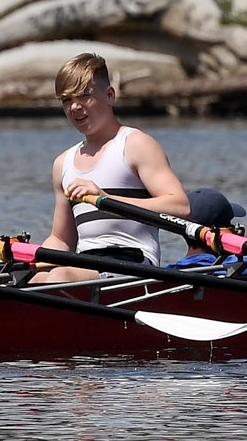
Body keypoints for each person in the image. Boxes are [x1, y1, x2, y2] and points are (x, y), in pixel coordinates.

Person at [34, 51, 191, 283]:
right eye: (66, 99)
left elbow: (181, 206)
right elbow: (62, 240)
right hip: (84, 265)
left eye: (84, 96)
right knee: (29, 281)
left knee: (58, 276)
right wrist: (26, 260)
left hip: (134, 263)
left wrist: (107, 200)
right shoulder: (62, 164)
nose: (74, 107)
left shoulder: (136, 144)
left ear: (109, 95)